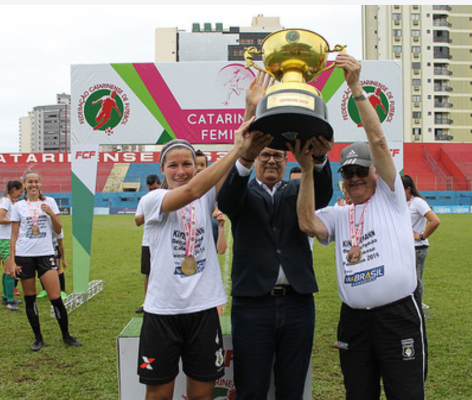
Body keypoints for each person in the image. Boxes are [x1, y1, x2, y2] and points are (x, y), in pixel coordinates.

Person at [295, 54, 427, 400]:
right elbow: (307, 222)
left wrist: (355, 86)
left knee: (406, 394)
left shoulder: (391, 197)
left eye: (361, 171)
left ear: (375, 173)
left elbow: (379, 142)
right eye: (348, 173)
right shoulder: (339, 215)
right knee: (358, 394)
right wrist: (307, 170)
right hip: (353, 321)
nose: (354, 178)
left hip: (397, 315)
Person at [217, 71, 334, 399]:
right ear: (256, 159)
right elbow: (226, 200)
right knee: (251, 388)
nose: (271, 160)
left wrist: (319, 159)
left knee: (292, 388)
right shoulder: (241, 191)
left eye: (277, 156)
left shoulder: (297, 190)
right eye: (265, 155)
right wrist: (246, 152)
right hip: (253, 304)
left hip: (298, 303)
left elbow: (323, 196)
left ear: (286, 160)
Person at [137, 119, 258, 400]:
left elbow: (226, 174)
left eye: (187, 164)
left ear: (197, 166)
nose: (181, 171)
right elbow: (191, 191)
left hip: (203, 310)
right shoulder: (153, 199)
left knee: (203, 395)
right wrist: (236, 148)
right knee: (158, 395)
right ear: (162, 169)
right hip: (162, 311)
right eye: (173, 165)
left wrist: (250, 113)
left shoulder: (207, 196)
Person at [5, 170, 82, 351]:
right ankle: (38, 338)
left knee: (55, 298)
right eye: (30, 182)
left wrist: (51, 214)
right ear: (24, 185)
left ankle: (66, 336)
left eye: (36, 182)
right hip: (24, 255)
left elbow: (58, 229)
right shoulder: (18, 206)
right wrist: (12, 260)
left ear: (40, 184)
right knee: (30, 299)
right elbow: (14, 235)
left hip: (46, 254)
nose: (33, 185)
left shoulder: (50, 202)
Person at [402, 175, 440, 304]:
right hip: (405, 247)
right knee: (405, 278)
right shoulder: (402, 203)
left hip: (418, 248)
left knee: (416, 280)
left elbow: (435, 221)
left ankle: (417, 305)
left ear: (408, 189)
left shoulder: (418, 202)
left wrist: (422, 236)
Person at [134, 174, 163, 314]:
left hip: (164, 241)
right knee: (148, 273)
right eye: (151, 189)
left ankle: (165, 301)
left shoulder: (167, 196)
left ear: (160, 184)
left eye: (155, 188)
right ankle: (147, 303)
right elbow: (137, 221)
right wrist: (150, 212)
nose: (153, 192)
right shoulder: (145, 199)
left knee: (167, 271)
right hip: (148, 242)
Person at [1, 180, 24, 311]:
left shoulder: (7, 201)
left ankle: (6, 297)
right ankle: (10, 301)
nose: (21, 194)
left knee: (6, 269)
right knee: (10, 270)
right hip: (5, 239)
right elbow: (0, 218)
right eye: (20, 191)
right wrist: (14, 220)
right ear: (14, 190)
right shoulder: (6, 201)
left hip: (5, 238)